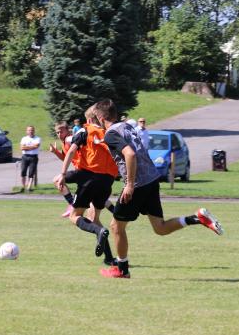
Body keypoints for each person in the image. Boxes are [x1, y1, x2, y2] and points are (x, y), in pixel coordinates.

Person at [92, 99, 223, 279]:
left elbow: (129, 154)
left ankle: (122, 270)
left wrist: (129, 184)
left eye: (95, 118)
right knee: (160, 228)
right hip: (152, 179)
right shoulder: (127, 126)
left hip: (137, 184)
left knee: (116, 226)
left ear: (101, 118)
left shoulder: (111, 134)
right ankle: (197, 218)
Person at [54, 107, 120, 266]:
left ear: (89, 119)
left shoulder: (85, 131)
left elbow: (71, 151)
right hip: (108, 181)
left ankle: (98, 230)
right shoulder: (109, 133)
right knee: (94, 219)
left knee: (74, 216)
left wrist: (63, 173)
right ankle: (109, 258)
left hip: (90, 176)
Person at [49, 121, 76, 217]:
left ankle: (72, 204)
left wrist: (63, 174)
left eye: (61, 131)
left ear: (67, 130)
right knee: (99, 200)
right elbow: (65, 158)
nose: (59, 134)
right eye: (57, 132)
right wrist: (55, 152)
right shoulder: (65, 142)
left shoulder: (69, 140)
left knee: (57, 180)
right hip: (82, 170)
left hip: (84, 170)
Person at [19, 125, 41, 192]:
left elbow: (36, 146)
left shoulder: (37, 138)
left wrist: (27, 147)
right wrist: (32, 147)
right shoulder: (24, 138)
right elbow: (22, 148)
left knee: (31, 172)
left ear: (34, 131)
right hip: (25, 157)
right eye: (29, 130)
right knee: (23, 171)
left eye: (32, 130)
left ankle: (29, 187)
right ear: (26, 131)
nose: (30, 131)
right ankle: (23, 187)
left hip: (33, 157)